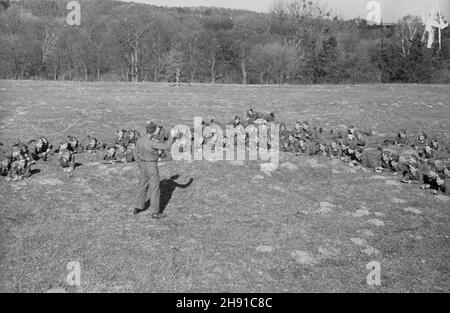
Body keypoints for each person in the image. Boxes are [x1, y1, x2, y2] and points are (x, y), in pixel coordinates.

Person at [133, 122, 175, 218]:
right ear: (155, 130)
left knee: (142, 187)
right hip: (152, 166)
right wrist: (172, 136)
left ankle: (137, 207)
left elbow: (135, 153)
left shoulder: (139, 140)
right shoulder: (152, 143)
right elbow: (166, 146)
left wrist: (140, 164)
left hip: (143, 165)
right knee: (154, 189)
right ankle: (155, 212)